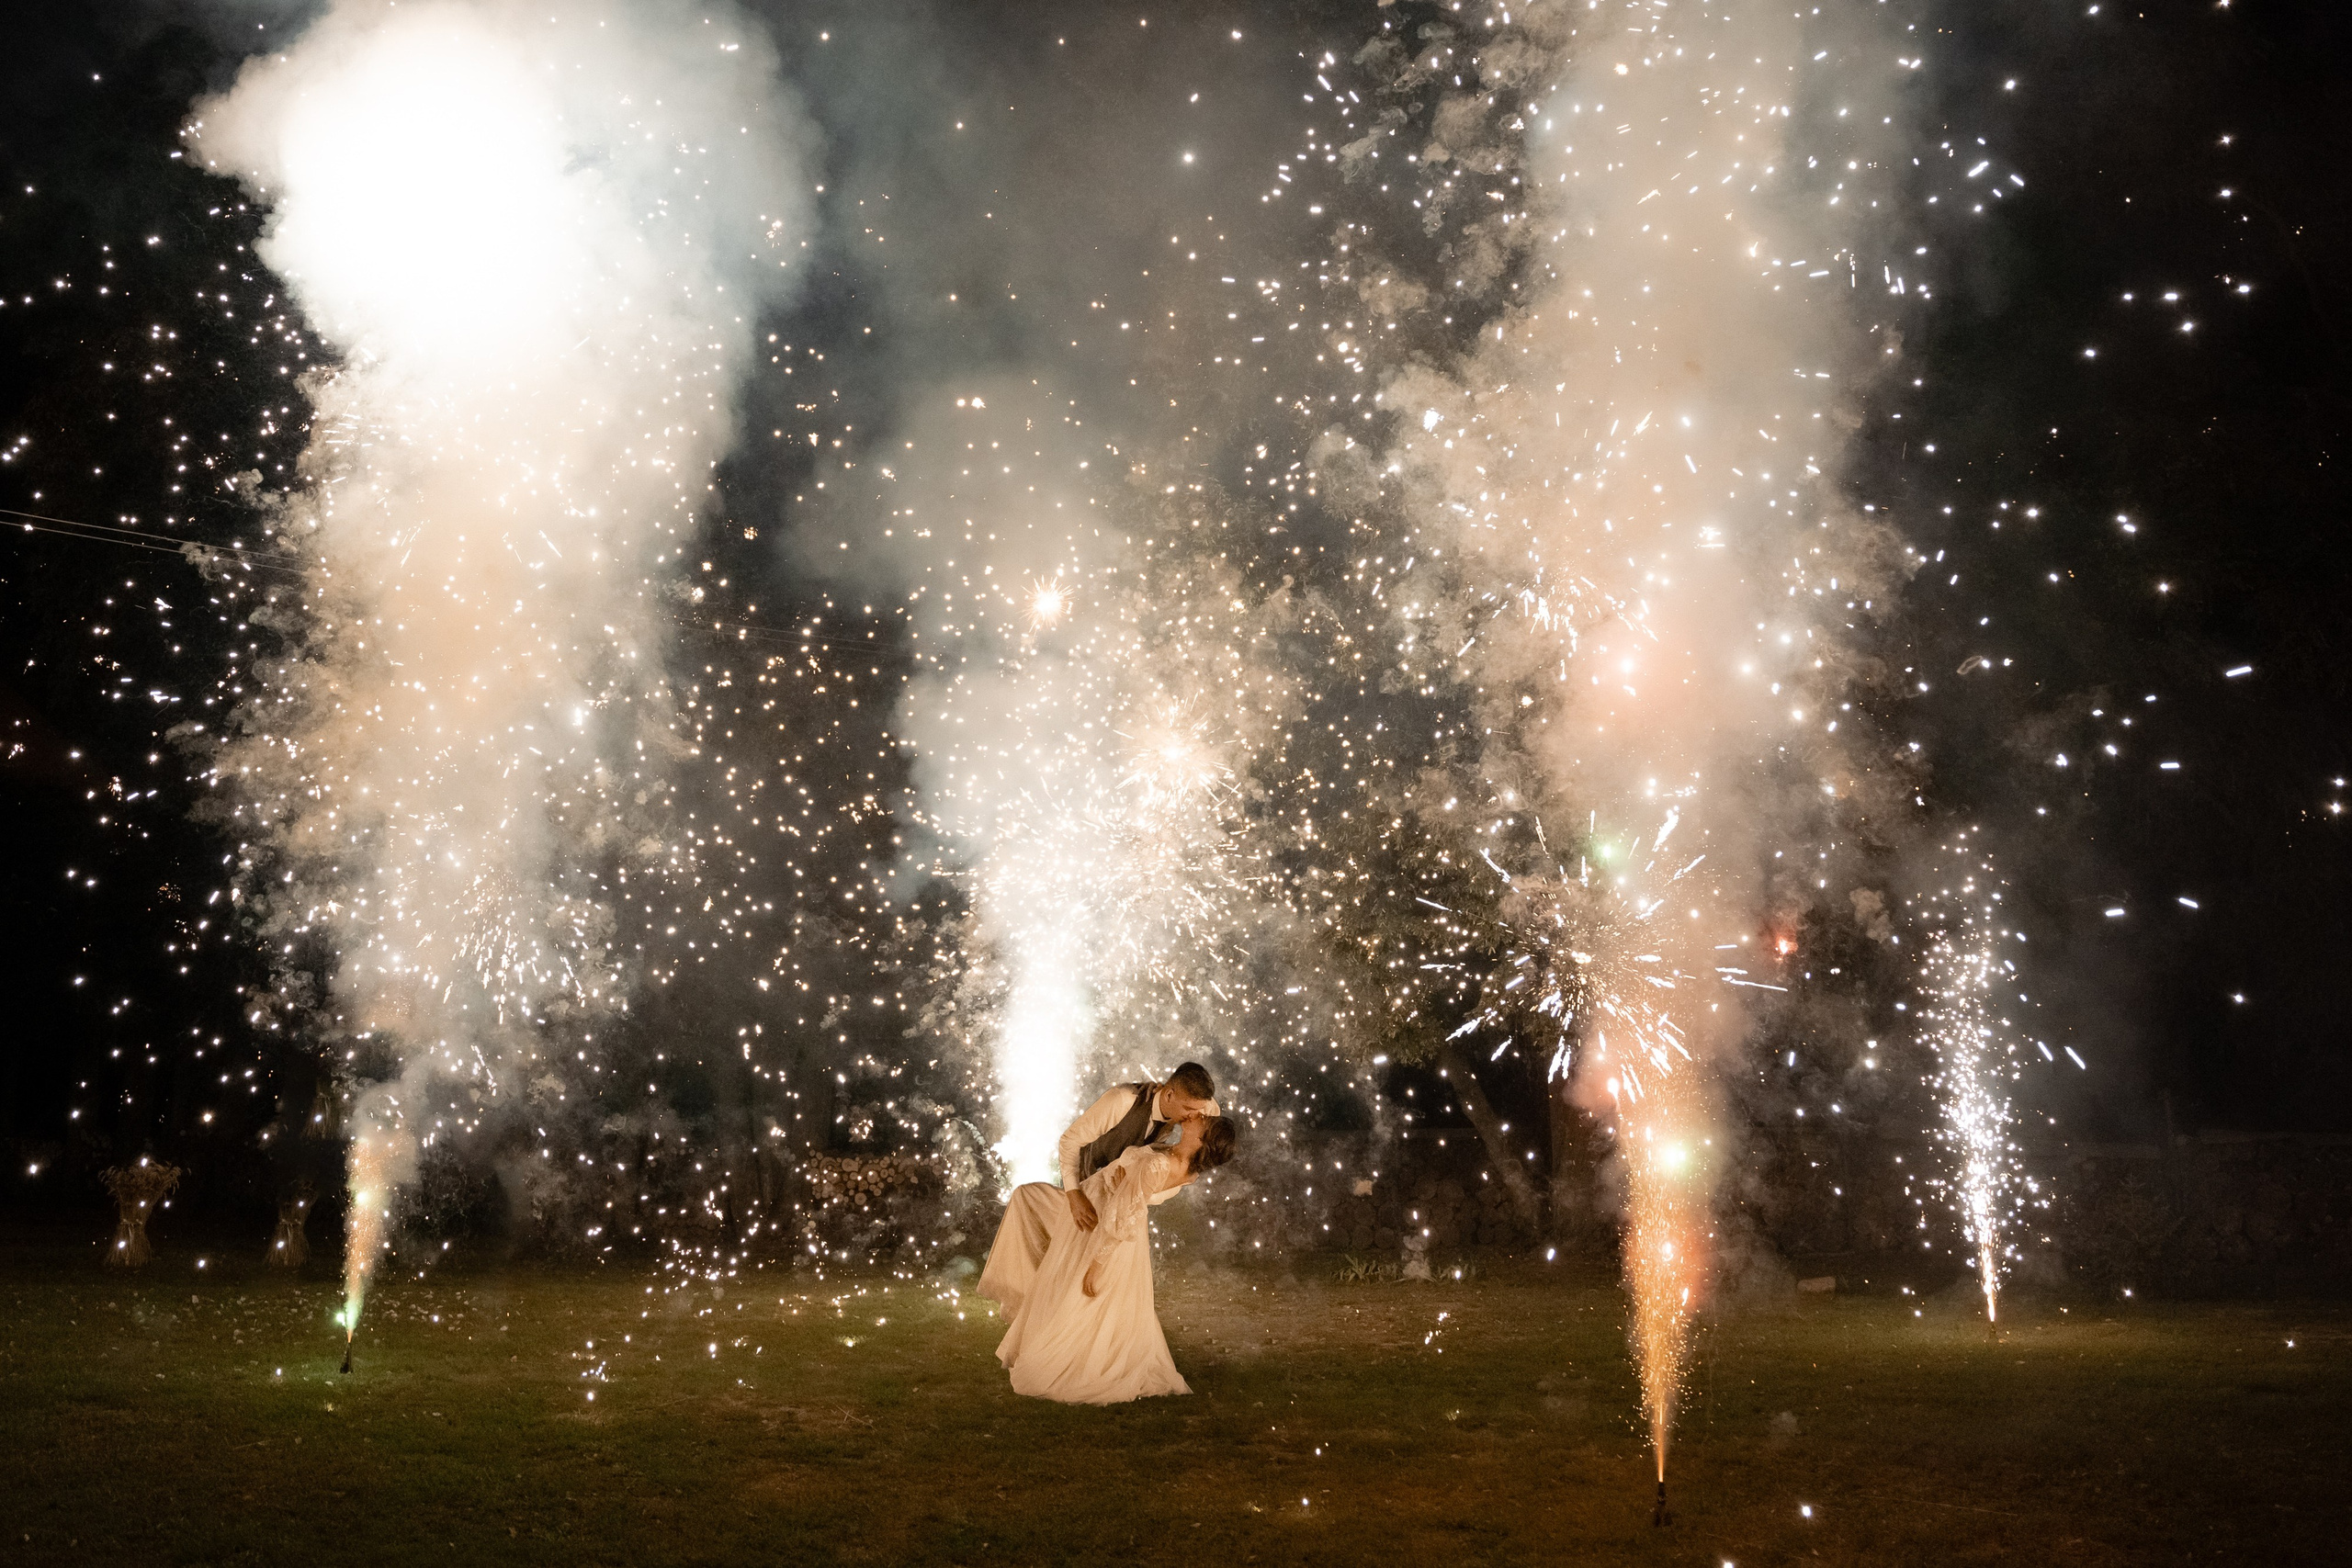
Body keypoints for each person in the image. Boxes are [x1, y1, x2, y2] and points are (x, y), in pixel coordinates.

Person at [989, 1114, 1236, 1403]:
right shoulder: (1184, 1166)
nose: (1197, 1115)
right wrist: (1131, 1185)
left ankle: (1076, 1362)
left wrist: (1097, 1264)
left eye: (1204, 1120)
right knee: (1082, 1293)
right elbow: (1144, 1195)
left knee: (1081, 1295)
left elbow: (1125, 1213)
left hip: (1105, 1219)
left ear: (1202, 1139)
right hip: (1111, 1211)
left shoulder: (1161, 1165)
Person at [975, 1064, 1217, 1314]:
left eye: (1198, 1111)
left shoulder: (1196, 1107)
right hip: (1090, 1194)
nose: (1194, 1116)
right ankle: (1030, 1299)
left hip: (1121, 1210)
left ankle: (1051, 1308)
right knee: (1026, 1199)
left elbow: (1212, 1126)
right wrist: (1073, 1194)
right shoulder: (1122, 1100)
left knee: (1090, 1278)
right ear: (1168, 1094)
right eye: (1188, 1109)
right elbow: (1070, 1140)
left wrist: (1145, 1192)